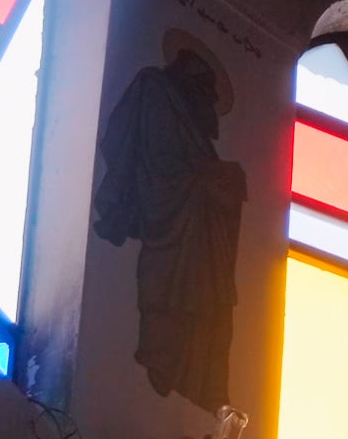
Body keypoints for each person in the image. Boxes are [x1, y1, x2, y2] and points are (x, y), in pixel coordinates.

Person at [91, 31, 247, 411]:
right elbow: (159, 163)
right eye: (202, 84)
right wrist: (209, 179)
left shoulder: (197, 136)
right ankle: (160, 360)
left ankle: (199, 384)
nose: (208, 99)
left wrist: (219, 181)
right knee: (163, 288)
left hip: (200, 241)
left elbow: (194, 170)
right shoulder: (156, 89)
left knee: (206, 301)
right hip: (167, 222)